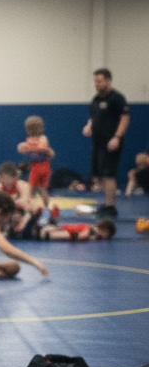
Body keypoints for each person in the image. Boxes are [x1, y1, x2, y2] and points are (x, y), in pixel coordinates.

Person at [82, 68, 129, 218]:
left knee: (109, 175)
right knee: (99, 175)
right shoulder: (96, 99)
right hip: (98, 143)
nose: (97, 84)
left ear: (108, 81)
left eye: (99, 81)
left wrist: (117, 137)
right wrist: (89, 126)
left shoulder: (117, 98)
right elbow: (92, 117)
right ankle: (107, 203)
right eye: (95, 81)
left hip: (111, 142)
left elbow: (125, 118)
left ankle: (111, 206)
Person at [17, 115, 54, 208]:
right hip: (41, 167)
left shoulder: (38, 139)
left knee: (31, 189)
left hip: (39, 167)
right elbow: (23, 149)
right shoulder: (35, 139)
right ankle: (45, 207)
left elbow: (42, 148)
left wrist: (28, 147)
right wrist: (23, 147)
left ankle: (29, 207)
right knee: (42, 189)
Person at [39, 218, 115, 241]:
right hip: (58, 229)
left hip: (59, 228)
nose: (106, 237)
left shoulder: (93, 231)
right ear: (104, 230)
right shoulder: (89, 229)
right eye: (107, 234)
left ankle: (45, 233)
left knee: (72, 235)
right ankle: (45, 234)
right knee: (71, 235)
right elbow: (82, 236)